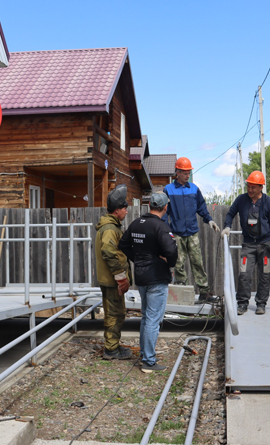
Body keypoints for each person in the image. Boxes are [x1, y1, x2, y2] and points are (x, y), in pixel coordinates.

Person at [119, 192, 178, 373]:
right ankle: (148, 361)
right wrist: (168, 262)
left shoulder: (136, 223)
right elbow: (172, 251)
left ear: (150, 205)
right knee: (153, 320)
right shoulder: (161, 227)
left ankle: (146, 356)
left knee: (146, 317)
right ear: (165, 207)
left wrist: (138, 258)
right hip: (156, 278)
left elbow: (123, 244)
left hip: (141, 277)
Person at [221, 171, 270, 316]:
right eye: (248, 186)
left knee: (265, 275)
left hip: (266, 245)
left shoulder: (269, 202)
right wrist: (227, 226)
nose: (250, 190)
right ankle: (242, 304)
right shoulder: (241, 200)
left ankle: (261, 304)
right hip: (248, 245)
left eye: (253, 187)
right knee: (244, 274)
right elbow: (230, 213)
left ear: (261, 187)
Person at [163, 157, 220, 304]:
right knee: (178, 264)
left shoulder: (194, 189)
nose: (188, 175)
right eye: (185, 173)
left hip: (192, 233)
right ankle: (183, 292)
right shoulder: (168, 190)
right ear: (178, 172)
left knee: (197, 262)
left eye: (189, 172)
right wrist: (165, 231)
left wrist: (210, 220)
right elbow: (164, 212)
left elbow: (201, 207)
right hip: (177, 233)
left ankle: (204, 293)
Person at [94, 184, 133, 360]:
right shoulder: (110, 229)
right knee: (113, 313)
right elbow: (109, 253)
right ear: (117, 210)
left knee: (117, 312)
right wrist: (120, 278)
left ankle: (114, 345)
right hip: (111, 280)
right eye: (124, 207)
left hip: (111, 279)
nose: (126, 210)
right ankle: (111, 350)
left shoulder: (111, 226)